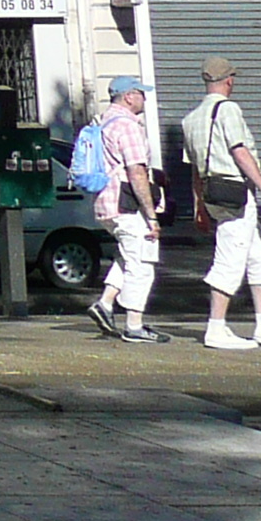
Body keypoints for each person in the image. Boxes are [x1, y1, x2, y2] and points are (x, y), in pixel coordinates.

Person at [182, 55, 261, 350]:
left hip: (213, 191)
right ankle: (216, 328)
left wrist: (199, 207)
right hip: (235, 191)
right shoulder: (228, 109)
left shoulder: (191, 119)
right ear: (229, 81)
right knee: (230, 258)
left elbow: (195, 169)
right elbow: (240, 152)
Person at [88, 75, 171, 342]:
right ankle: (134, 326)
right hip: (127, 205)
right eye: (141, 93)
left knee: (128, 256)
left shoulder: (103, 123)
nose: (144, 98)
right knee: (142, 263)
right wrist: (151, 216)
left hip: (107, 204)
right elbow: (137, 172)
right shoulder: (127, 126)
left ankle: (105, 304)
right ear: (128, 96)